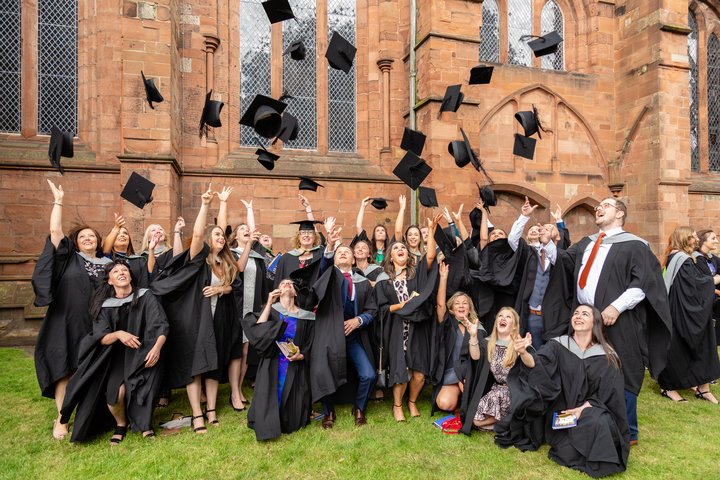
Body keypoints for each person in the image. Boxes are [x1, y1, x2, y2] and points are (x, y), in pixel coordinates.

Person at [556, 197, 671, 445]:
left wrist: (616, 307)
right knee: (580, 367)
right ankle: (581, 420)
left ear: (619, 214)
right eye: (598, 206)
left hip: (619, 319)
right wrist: (546, 244)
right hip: (584, 317)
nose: (598, 208)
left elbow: (645, 283)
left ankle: (627, 430)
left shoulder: (635, 245)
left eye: (605, 205)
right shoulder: (586, 242)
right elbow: (564, 263)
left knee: (623, 368)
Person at [496, 305, 630, 478]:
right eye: (575, 313)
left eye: (585, 314)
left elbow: (609, 393)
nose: (578, 316)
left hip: (590, 410)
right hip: (561, 413)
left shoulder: (606, 355)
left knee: (600, 421)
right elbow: (537, 365)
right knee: (567, 450)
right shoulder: (558, 345)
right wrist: (523, 353)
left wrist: (583, 409)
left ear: (595, 322)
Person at [151, 184, 240, 434]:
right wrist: (204, 204)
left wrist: (221, 289)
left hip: (219, 318)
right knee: (196, 364)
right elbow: (199, 234)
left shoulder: (227, 262)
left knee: (213, 363)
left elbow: (234, 287)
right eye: (217, 236)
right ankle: (197, 414)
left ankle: (211, 409)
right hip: (196, 318)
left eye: (223, 236)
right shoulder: (198, 258)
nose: (221, 239)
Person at [32, 179, 112, 440]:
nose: (88, 238)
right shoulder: (68, 258)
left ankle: (88, 413)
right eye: (82, 236)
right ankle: (61, 418)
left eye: (92, 236)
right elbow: (55, 232)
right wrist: (59, 200)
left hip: (95, 324)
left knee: (87, 369)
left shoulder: (107, 264)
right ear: (76, 243)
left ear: (98, 241)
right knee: (65, 368)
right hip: (65, 320)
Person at [59, 260, 168, 443]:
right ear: (110, 281)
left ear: (130, 275)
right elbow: (100, 337)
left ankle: (144, 425)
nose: (121, 273)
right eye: (116, 271)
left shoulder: (146, 296)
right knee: (115, 394)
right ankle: (121, 424)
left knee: (143, 387)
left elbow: (161, 325)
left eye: (124, 269)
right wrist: (118, 334)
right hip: (116, 357)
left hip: (143, 352)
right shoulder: (105, 305)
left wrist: (157, 348)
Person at [375, 214, 440, 421]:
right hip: (396, 329)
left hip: (416, 327)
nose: (401, 249)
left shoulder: (415, 275)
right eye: (396, 248)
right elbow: (382, 309)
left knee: (419, 373)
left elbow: (430, 258)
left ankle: (411, 402)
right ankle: (397, 405)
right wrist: (403, 305)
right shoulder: (385, 281)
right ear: (390, 256)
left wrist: (431, 230)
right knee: (400, 370)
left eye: (403, 248)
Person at [313, 229, 378, 427]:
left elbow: (372, 310)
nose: (343, 253)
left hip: (352, 337)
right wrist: (331, 245)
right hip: (329, 336)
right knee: (326, 373)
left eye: (347, 252)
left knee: (368, 374)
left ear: (353, 260)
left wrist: (358, 320)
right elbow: (324, 265)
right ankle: (328, 411)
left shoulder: (363, 283)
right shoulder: (329, 276)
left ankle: (359, 407)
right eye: (339, 252)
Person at [241, 279, 314, 441]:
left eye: (290, 283)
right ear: (277, 291)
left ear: (295, 292)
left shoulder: (306, 316)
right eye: (282, 283)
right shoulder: (272, 311)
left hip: (295, 364)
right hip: (272, 361)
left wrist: (302, 355)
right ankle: (268, 423)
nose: (287, 284)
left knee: (293, 422)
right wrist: (268, 302)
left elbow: (312, 342)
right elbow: (258, 330)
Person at [218, 190, 270, 410]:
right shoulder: (230, 253)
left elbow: (253, 230)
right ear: (235, 236)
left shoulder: (256, 253)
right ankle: (233, 392)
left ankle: (238, 389)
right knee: (237, 351)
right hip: (236, 307)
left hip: (252, 306)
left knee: (247, 351)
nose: (247, 232)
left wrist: (250, 209)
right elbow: (238, 270)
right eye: (242, 230)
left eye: (248, 230)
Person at [657, 227, 720, 403]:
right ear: (685, 239)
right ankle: (668, 386)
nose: (696, 239)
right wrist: (714, 280)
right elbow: (695, 285)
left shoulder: (681, 258)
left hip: (685, 308)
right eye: (693, 237)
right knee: (678, 346)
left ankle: (702, 387)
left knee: (701, 344)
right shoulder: (681, 259)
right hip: (681, 311)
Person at [509, 198, 567, 349]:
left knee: (554, 355)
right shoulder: (531, 254)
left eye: (549, 228)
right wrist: (524, 217)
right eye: (544, 227)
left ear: (558, 236)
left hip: (555, 317)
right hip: (533, 315)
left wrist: (559, 221)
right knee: (534, 353)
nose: (543, 229)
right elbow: (513, 241)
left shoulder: (562, 258)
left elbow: (560, 249)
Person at [432, 262, 485, 414]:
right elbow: (440, 305)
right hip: (450, 372)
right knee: (444, 403)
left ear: (469, 309)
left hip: (470, 373)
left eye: (465, 303)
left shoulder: (477, 327)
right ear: (452, 309)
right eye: (457, 303)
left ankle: (466, 396)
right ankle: (461, 397)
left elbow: (480, 358)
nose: (461, 306)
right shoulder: (448, 324)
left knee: (470, 392)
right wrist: (443, 278)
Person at [695, 229, 720, 343]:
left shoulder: (712, 258)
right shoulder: (696, 259)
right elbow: (701, 282)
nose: (717, 241)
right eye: (713, 238)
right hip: (702, 302)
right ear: (703, 241)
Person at [355, 196, 390, 264]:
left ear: (386, 236)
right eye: (377, 230)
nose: (380, 232)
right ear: (374, 235)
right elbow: (358, 226)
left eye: (383, 230)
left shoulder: (390, 249)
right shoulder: (368, 247)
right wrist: (363, 206)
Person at [395, 194, 426, 262]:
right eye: (410, 234)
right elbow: (398, 231)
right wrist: (402, 209)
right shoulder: (402, 253)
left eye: (416, 234)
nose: (413, 237)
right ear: (405, 238)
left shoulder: (424, 257)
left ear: (420, 238)